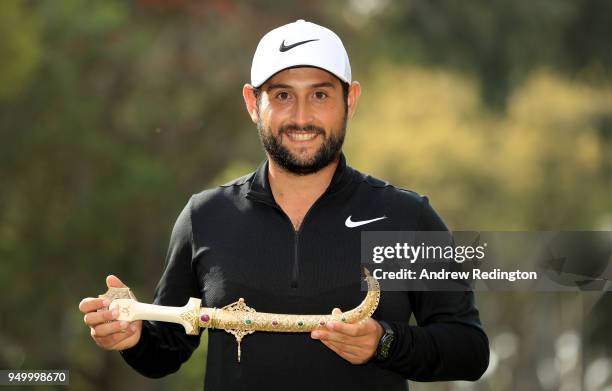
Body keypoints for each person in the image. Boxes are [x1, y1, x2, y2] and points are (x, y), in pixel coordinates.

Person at [79, 19, 489, 391]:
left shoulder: (407, 218)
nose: (302, 116)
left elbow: (469, 349)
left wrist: (385, 343)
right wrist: (132, 337)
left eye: (321, 95)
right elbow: (164, 351)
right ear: (252, 104)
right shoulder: (205, 217)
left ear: (351, 100)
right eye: (282, 95)